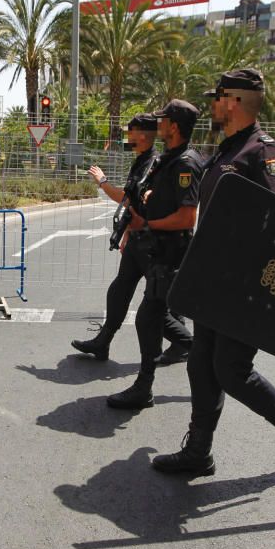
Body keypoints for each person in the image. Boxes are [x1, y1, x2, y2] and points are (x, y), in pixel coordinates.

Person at [152, 68, 275, 478]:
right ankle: (198, 452)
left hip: (246, 286)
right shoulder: (227, 152)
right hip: (215, 282)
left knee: (231, 369)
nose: (211, 105)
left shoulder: (263, 155)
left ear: (234, 101)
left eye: (217, 97)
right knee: (201, 365)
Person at [104, 101, 204, 410]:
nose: (157, 123)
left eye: (162, 119)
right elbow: (157, 196)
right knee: (151, 315)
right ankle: (146, 383)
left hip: (171, 251)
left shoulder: (186, 163)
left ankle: (154, 381)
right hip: (154, 247)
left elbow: (187, 217)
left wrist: (146, 222)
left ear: (173, 126)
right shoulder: (167, 159)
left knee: (152, 316)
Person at [72, 113, 193, 366]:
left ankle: (193, 347)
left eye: (130, 132)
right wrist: (127, 233)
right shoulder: (142, 161)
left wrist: (103, 183)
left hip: (154, 242)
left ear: (142, 135)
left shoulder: (154, 162)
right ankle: (103, 342)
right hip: (139, 238)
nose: (127, 136)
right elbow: (134, 202)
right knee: (120, 289)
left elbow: (131, 200)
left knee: (156, 307)